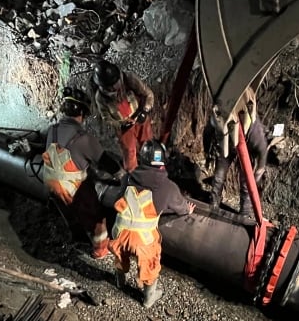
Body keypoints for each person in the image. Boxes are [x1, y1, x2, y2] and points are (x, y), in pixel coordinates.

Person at [107, 140, 195, 308]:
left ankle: (120, 282)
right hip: (143, 239)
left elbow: (118, 198)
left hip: (119, 230)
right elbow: (181, 208)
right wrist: (187, 210)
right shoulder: (168, 187)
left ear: (143, 160)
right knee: (150, 263)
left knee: (120, 255)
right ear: (163, 164)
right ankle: (148, 298)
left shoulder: (127, 177)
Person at [39, 87, 120, 259]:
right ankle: (100, 250)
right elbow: (105, 161)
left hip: (51, 184)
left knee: (69, 213)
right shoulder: (83, 138)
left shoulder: (52, 130)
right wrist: (122, 174)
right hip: (71, 189)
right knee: (98, 220)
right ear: (82, 112)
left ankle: (77, 236)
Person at [209, 86, 268, 217]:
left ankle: (245, 212)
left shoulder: (254, 130)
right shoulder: (218, 117)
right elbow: (208, 133)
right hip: (227, 145)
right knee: (219, 177)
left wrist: (260, 168)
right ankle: (213, 203)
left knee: (246, 182)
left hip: (245, 148)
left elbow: (262, 148)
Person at [92, 59, 155, 172]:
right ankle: (133, 178)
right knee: (129, 153)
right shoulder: (100, 97)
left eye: (116, 84)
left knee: (148, 144)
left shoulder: (129, 78)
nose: (115, 88)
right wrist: (119, 125)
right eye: (111, 87)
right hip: (124, 126)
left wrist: (145, 110)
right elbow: (106, 117)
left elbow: (148, 94)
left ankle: (154, 169)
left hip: (140, 117)